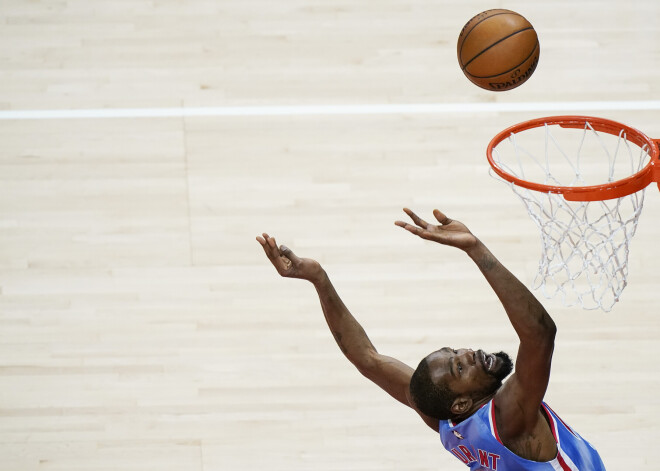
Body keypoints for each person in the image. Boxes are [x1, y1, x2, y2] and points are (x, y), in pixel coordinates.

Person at [256, 208, 605, 470]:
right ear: (461, 403)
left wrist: (319, 279)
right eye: (458, 366)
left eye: (456, 352)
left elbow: (367, 358)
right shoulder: (510, 418)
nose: (468, 353)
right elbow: (541, 335)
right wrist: (476, 249)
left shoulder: (446, 419)